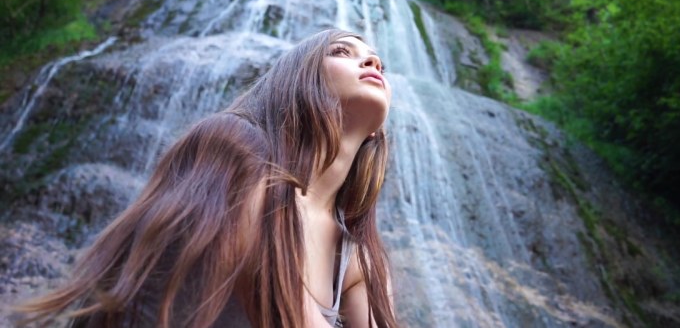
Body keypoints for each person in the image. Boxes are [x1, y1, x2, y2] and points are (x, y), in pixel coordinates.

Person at [15, 29, 397, 328]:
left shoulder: (357, 253)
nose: (371, 64)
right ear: (298, 81)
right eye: (342, 53)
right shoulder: (233, 146)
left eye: (376, 62)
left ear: (376, 134)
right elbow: (280, 307)